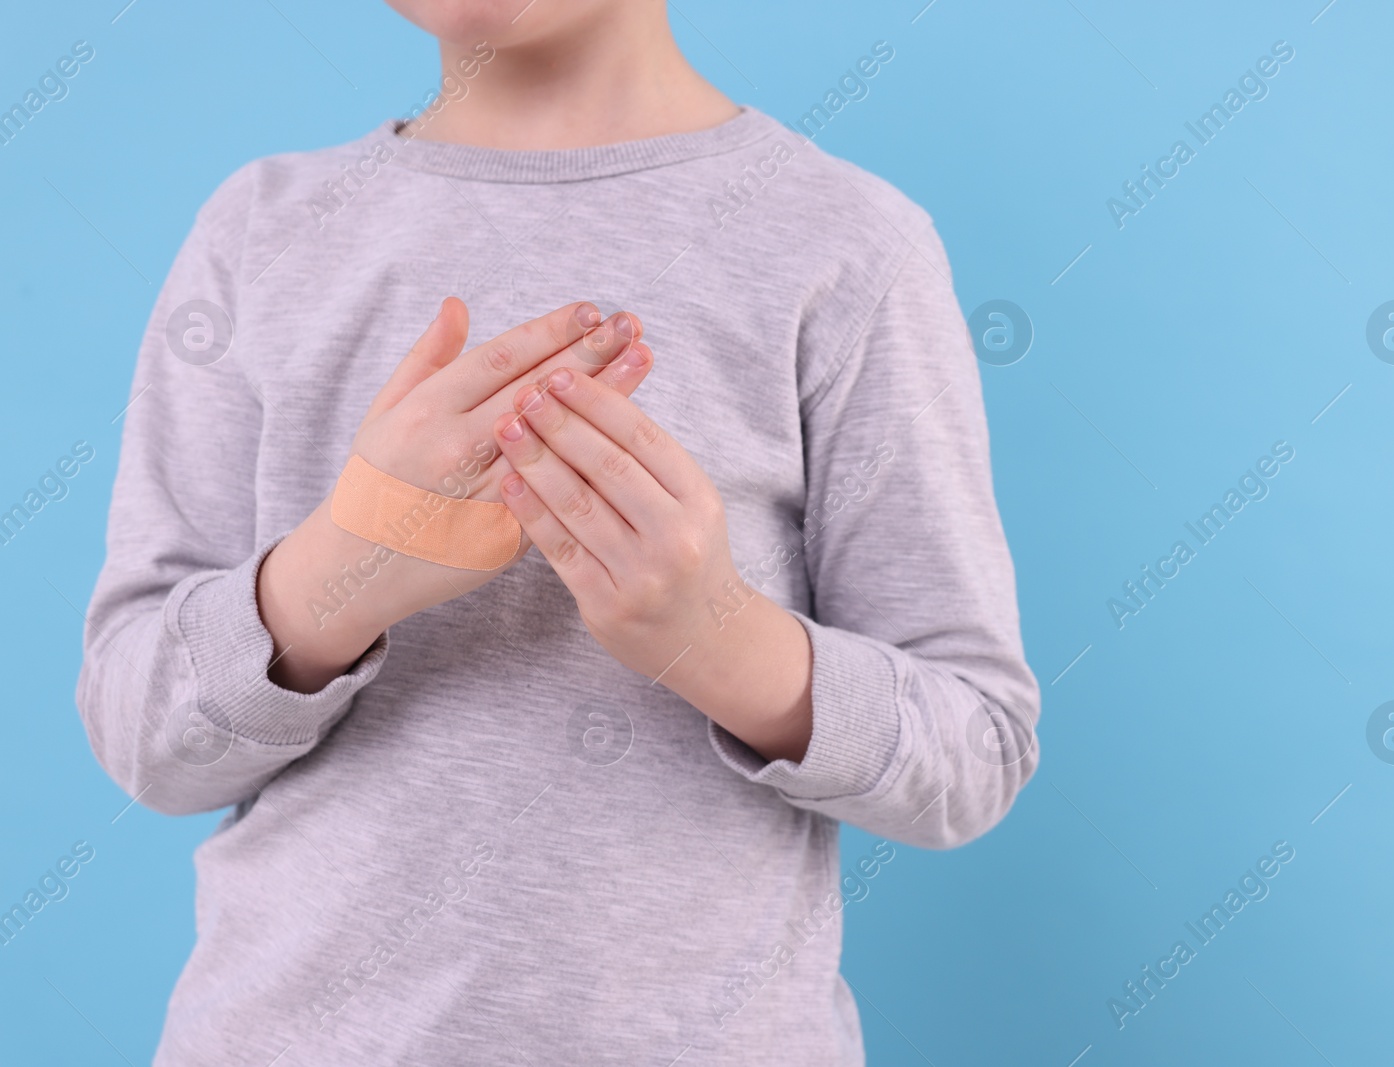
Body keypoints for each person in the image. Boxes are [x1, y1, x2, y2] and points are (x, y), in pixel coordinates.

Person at [76, 1, 1040, 1063]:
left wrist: (712, 636)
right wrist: (340, 571)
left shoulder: (848, 247)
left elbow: (976, 746)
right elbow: (143, 737)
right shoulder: (259, 231)